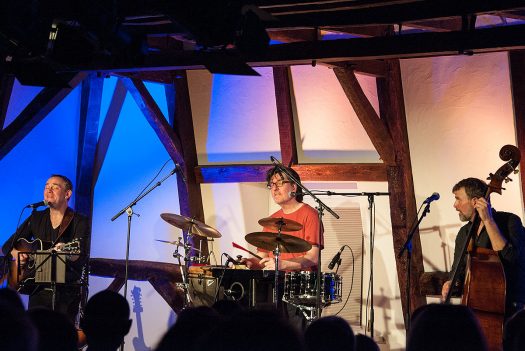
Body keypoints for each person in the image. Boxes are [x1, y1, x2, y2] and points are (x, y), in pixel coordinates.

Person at [1, 174, 91, 323]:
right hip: (37, 290)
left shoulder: (79, 221)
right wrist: (19, 254)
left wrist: (67, 252)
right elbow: (7, 246)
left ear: (67, 194)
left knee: (60, 340)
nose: (49, 190)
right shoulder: (36, 217)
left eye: (55, 187)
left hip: (66, 294)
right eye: (46, 187)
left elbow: (80, 254)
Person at [441, 177, 525, 317]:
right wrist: (451, 283)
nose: (455, 205)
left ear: (475, 202)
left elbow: (511, 259)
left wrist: (488, 220)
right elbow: (458, 271)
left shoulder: (510, 221)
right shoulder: (464, 233)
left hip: (511, 309)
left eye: (458, 199)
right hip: (476, 308)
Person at [246, 166, 323, 271]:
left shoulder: (310, 214)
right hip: (275, 282)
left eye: (279, 183)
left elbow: (313, 257)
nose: (274, 188)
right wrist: (250, 262)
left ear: (294, 187)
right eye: (272, 184)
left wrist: (283, 265)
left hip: (301, 284)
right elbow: (262, 256)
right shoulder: (271, 220)